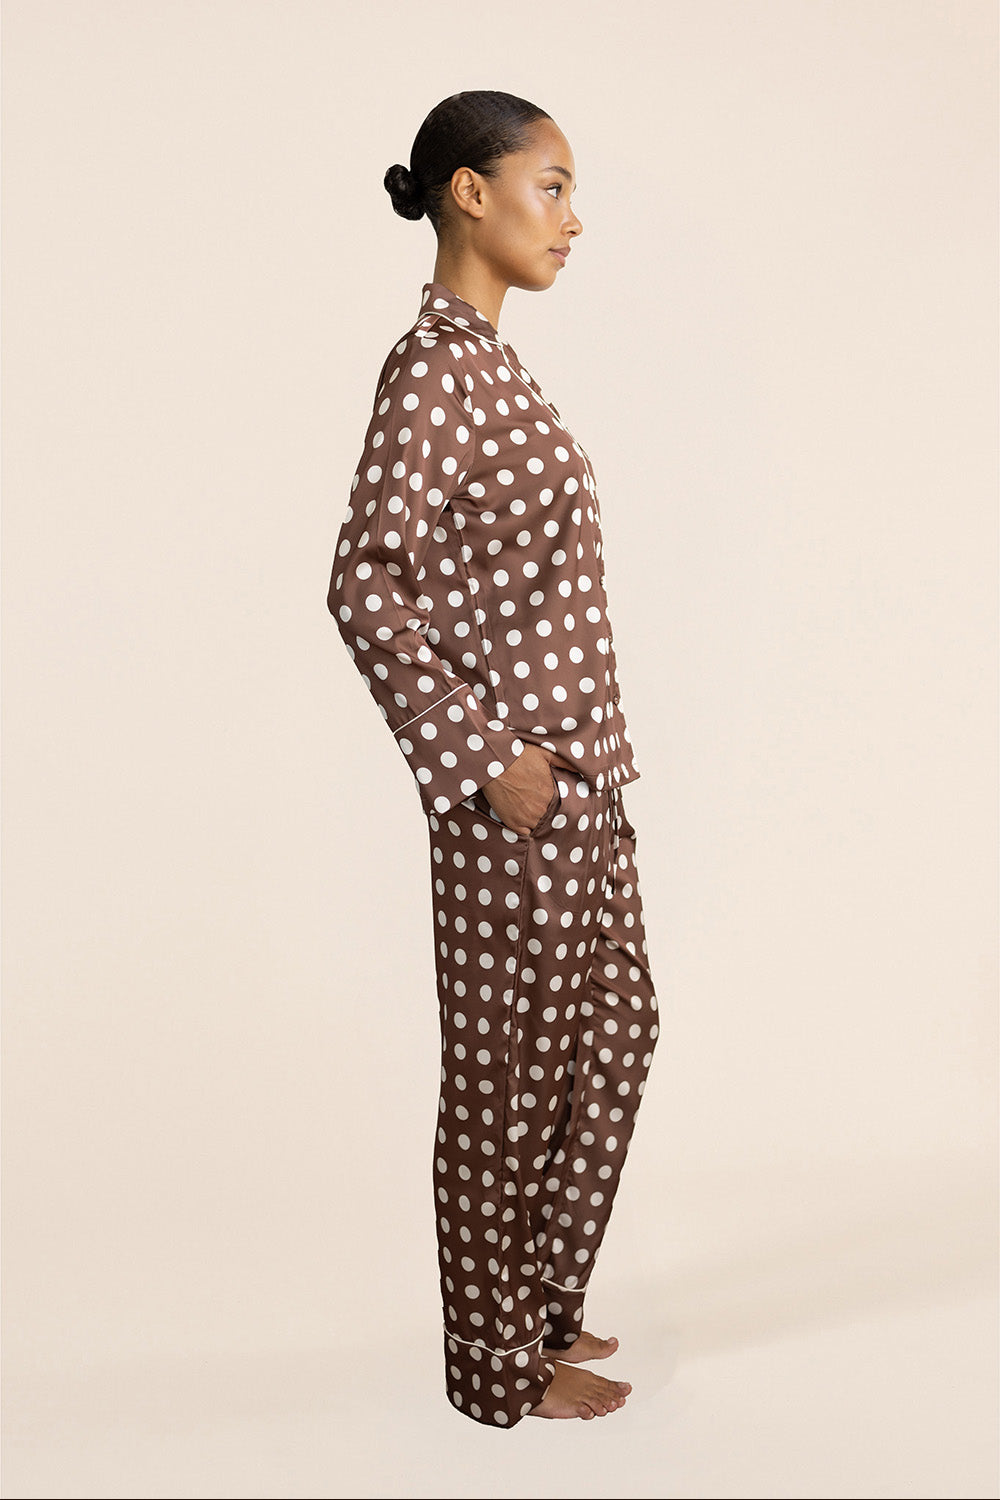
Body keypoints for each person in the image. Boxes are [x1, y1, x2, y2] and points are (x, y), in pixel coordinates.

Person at [326, 90, 660, 1427]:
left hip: (586, 777)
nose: (573, 219)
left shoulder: (498, 368)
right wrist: (486, 761)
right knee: (505, 1078)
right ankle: (493, 1368)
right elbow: (365, 582)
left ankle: (538, 1313)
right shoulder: (433, 369)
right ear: (472, 192)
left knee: (614, 1035)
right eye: (552, 187)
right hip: (515, 794)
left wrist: (568, 770)